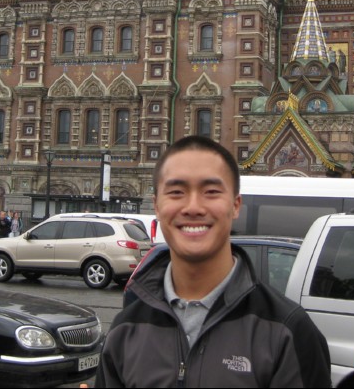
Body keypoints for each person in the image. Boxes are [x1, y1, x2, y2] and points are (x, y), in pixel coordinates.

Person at [94, 136, 331, 388]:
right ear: (157, 207)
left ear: (235, 205)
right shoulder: (125, 330)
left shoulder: (287, 330)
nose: (193, 207)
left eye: (211, 192)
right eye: (176, 192)